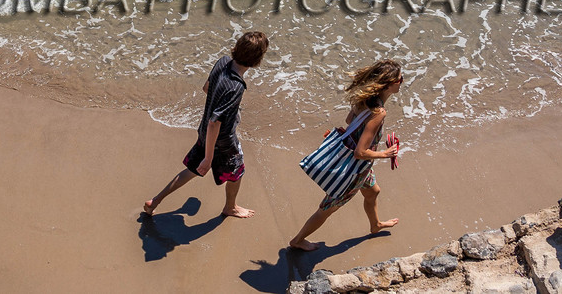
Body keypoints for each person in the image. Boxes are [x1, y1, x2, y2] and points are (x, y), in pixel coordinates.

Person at [141, 31, 269, 220]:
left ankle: (156, 200)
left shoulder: (223, 62)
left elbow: (206, 88)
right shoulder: (236, 86)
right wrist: (209, 158)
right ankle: (230, 207)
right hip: (222, 140)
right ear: (257, 60)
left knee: (193, 170)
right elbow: (214, 123)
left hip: (204, 133)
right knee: (237, 171)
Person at [289, 58, 402, 250]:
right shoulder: (379, 112)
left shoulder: (364, 99)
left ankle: (375, 225)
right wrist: (386, 154)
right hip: (353, 169)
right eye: (401, 79)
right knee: (327, 208)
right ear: (390, 84)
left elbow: (349, 119)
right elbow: (360, 152)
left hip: (362, 168)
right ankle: (298, 241)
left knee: (373, 191)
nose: (402, 82)